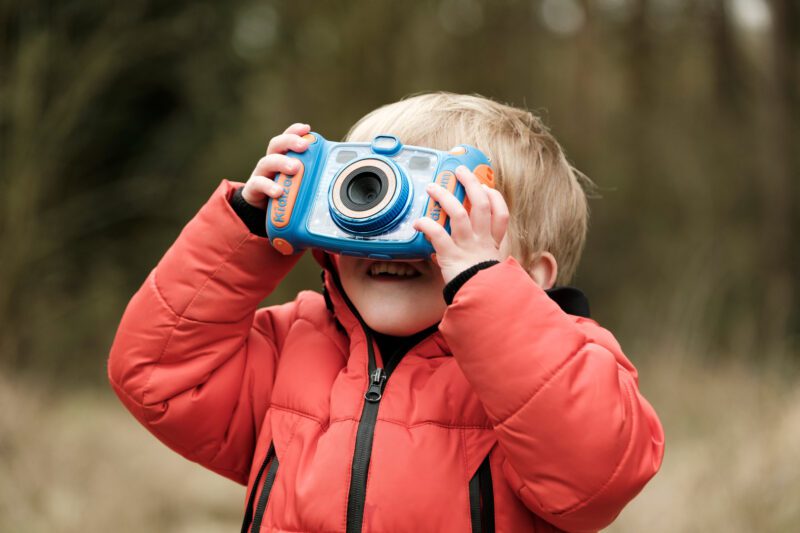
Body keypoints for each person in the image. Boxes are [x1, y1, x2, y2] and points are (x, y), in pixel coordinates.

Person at [108, 92, 664, 532]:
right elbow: (156, 373)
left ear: (534, 276)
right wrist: (249, 232)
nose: (396, 232)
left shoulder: (555, 374)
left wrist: (484, 291)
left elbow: (596, 474)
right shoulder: (292, 346)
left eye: (447, 204)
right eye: (369, 188)